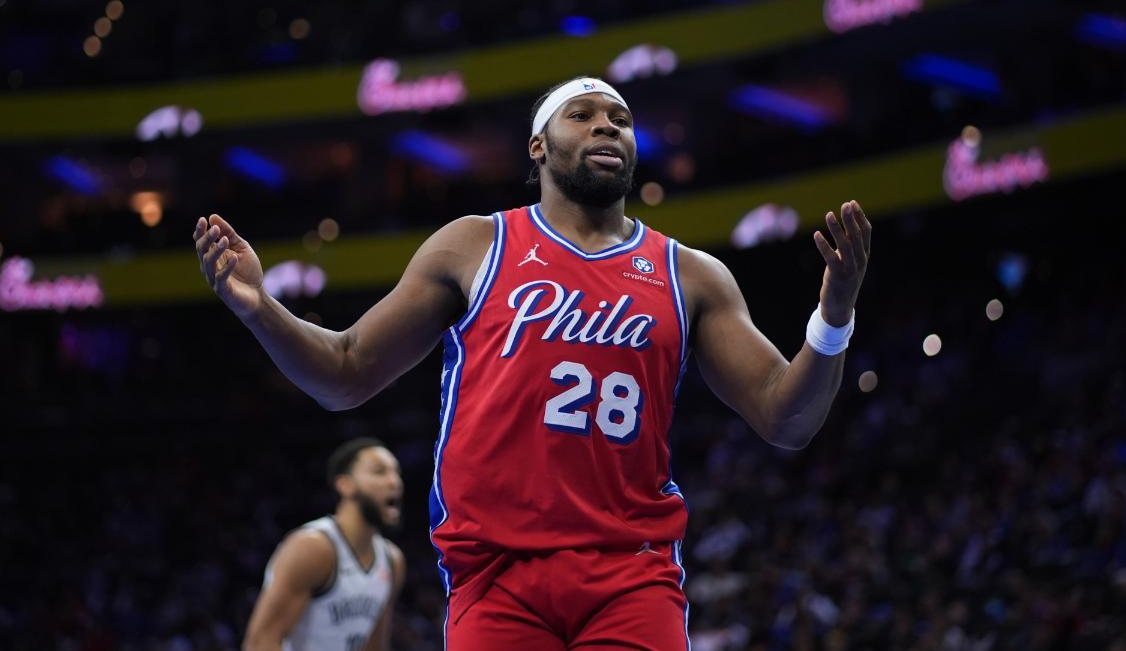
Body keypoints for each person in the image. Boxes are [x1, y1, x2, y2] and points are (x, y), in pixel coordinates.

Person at [194, 76, 871, 650]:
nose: (607, 125)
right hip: (496, 576)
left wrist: (833, 315)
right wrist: (260, 308)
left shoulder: (690, 274)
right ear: (538, 146)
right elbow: (346, 371)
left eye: (621, 119)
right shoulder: (473, 245)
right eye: (584, 115)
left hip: (631, 574)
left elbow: (787, 418)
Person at [243, 438, 406, 651]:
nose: (394, 482)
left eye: (396, 473)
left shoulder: (393, 561)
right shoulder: (313, 547)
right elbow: (259, 643)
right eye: (379, 472)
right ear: (345, 485)